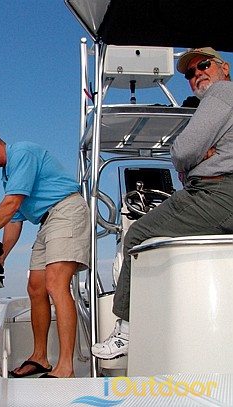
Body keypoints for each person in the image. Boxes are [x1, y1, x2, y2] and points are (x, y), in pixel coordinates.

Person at [92, 47, 233, 360]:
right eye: (189, 73)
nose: (197, 75)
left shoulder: (221, 93)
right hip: (221, 195)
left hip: (215, 195)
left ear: (224, 67)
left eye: (203, 66)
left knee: (136, 235)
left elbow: (182, 150)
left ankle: (125, 333)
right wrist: (205, 152)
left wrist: (193, 159)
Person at [0, 128, 90, 378]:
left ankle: (65, 366)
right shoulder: (7, 176)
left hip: (66, 211)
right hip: (47, 222)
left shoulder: (22, 152)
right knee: (35, 287)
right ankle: (40, 358)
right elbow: (14, 220)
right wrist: (2, 255)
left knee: (56, 284)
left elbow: (12, 203)